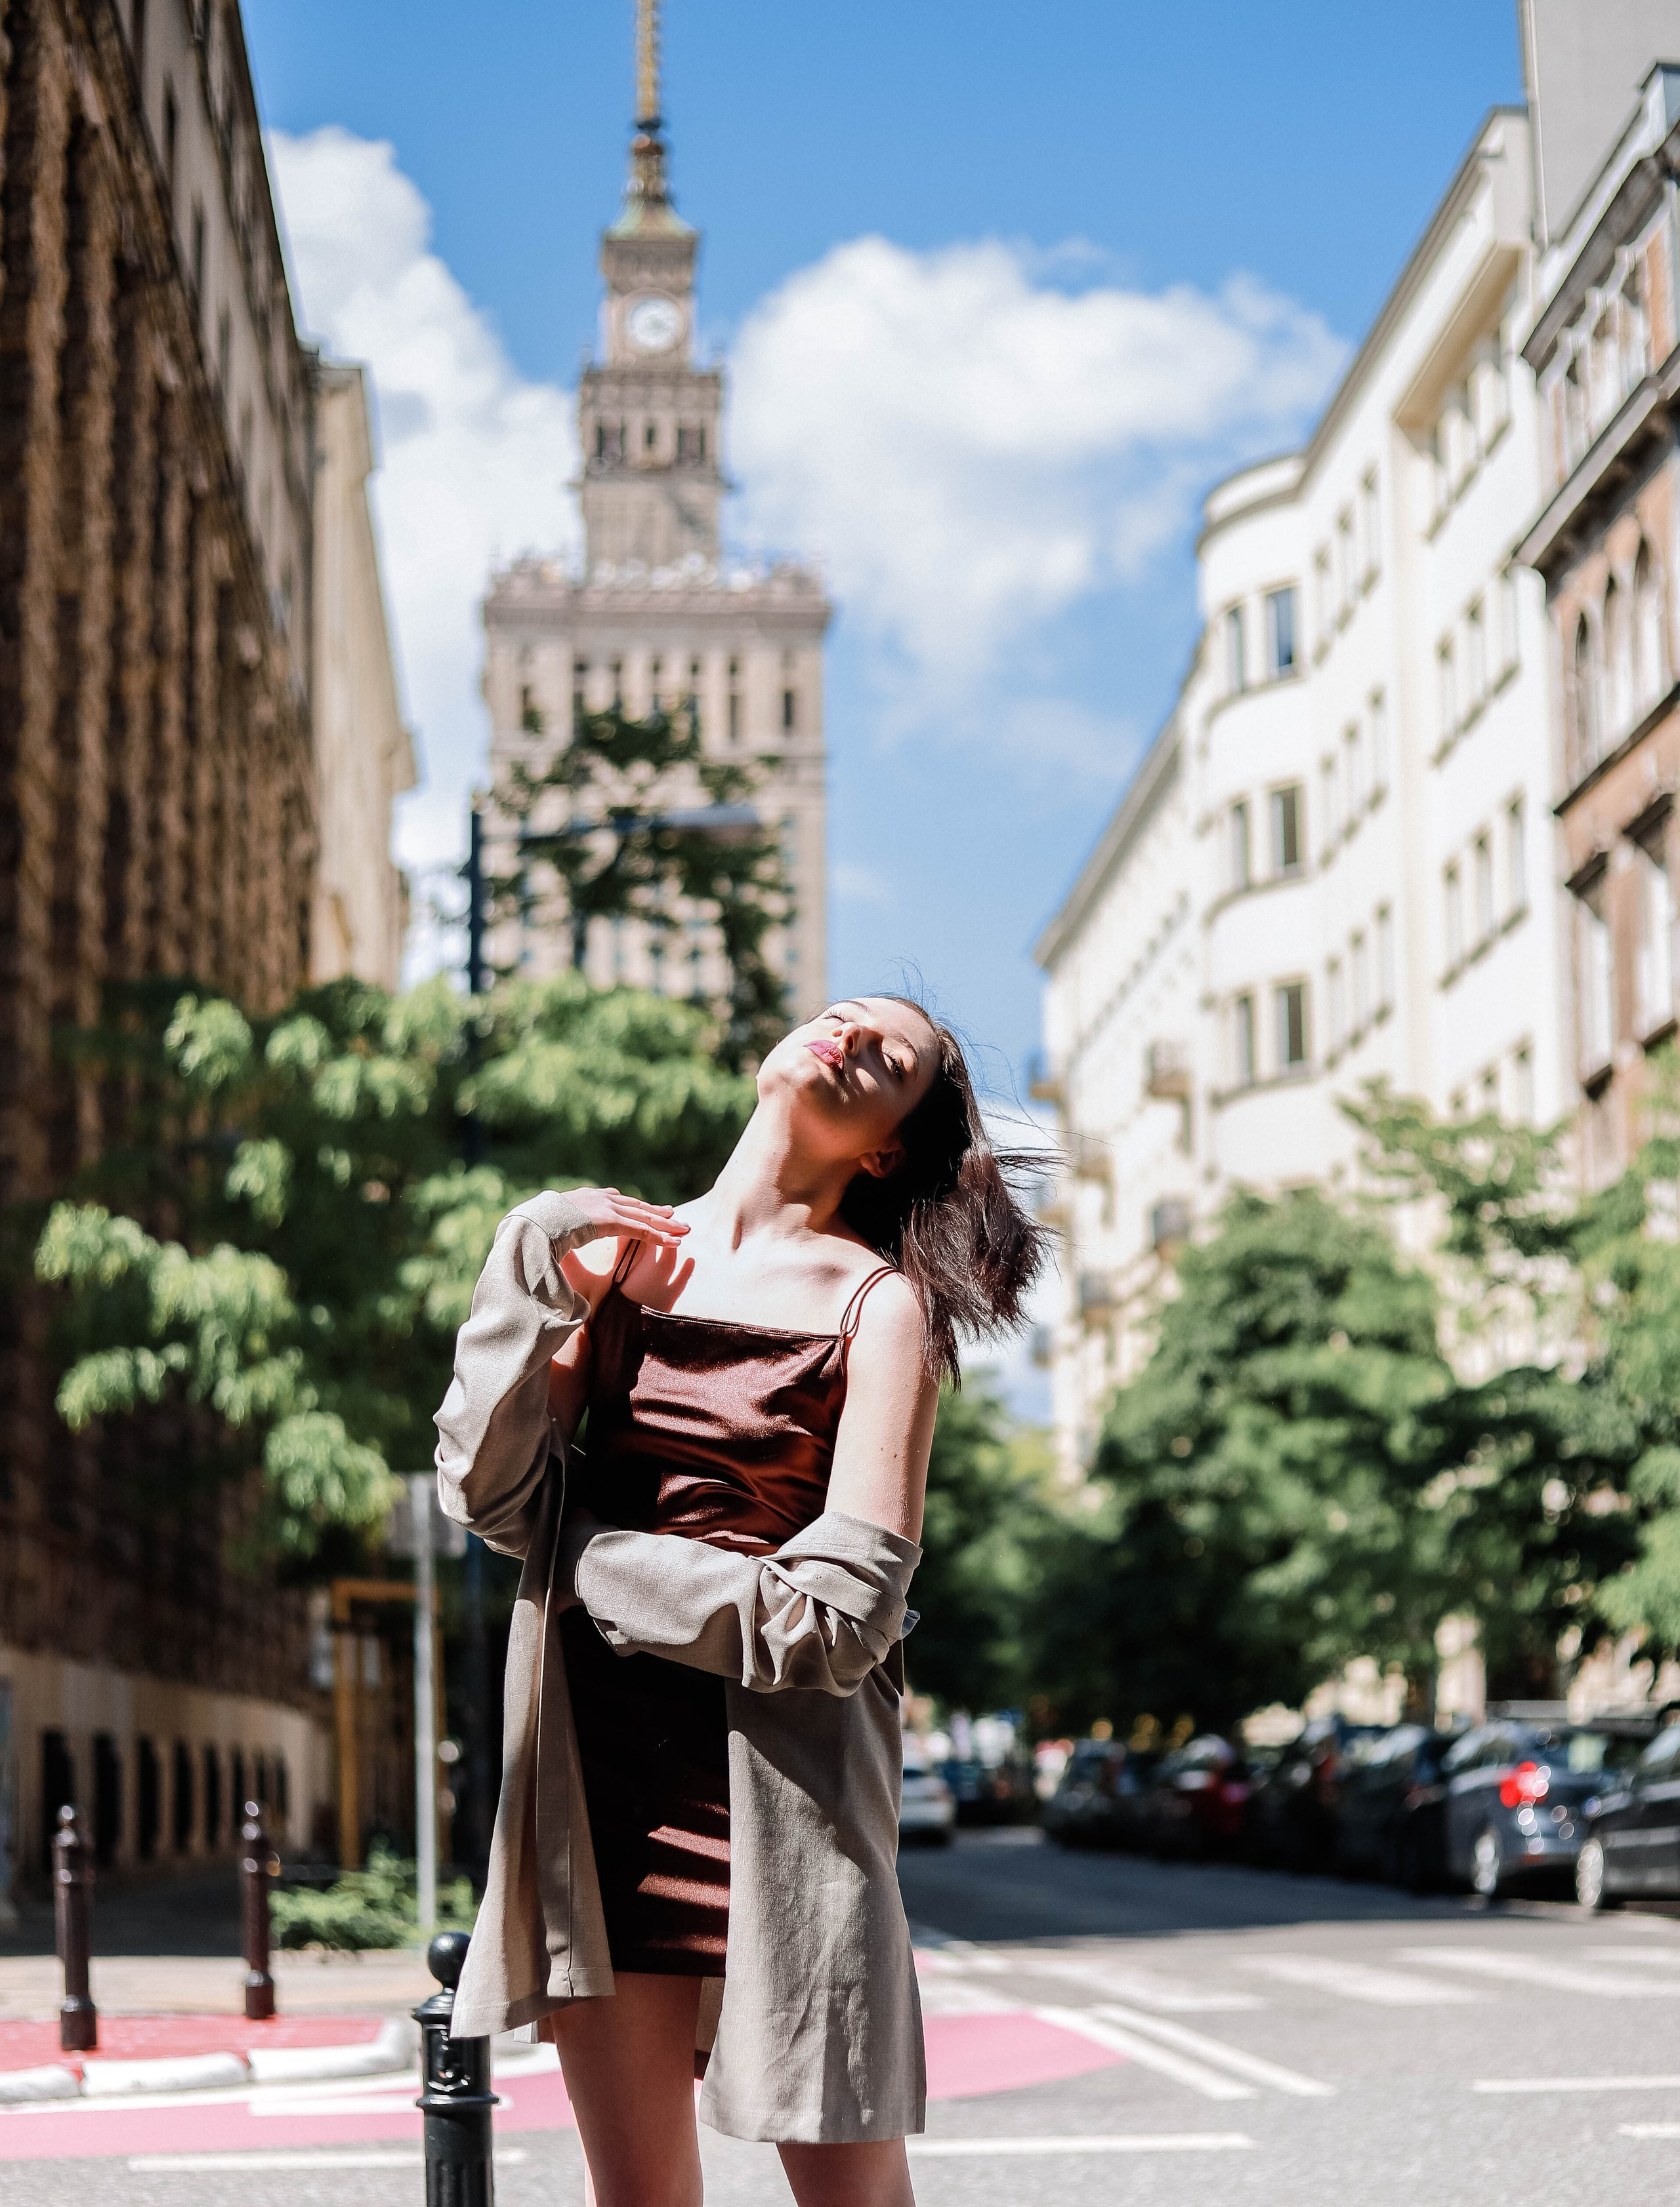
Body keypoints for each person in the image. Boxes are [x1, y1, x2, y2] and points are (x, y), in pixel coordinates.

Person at [435, 995, 1046, 2207]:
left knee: (852, 2195)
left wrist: (592, 1568)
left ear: (884, 1147)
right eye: (844, 1016)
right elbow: (492, 1496)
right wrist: (532, 1263)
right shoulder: (614, 1265)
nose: (854, 1037)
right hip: (597, 1788)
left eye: (894, 1058)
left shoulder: (885, 1307)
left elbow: (842, 1616)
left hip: (793, 1795)